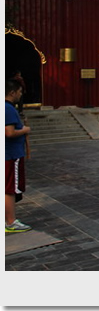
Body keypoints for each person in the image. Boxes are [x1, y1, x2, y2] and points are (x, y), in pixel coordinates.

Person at [5, 79, 32, 233]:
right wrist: (25, 130)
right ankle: (10, 222)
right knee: (10, 189)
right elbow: (9, 132)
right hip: (11, 154)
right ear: (12, 92)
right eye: (20, 92)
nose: (21, 95)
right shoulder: (8, 109)